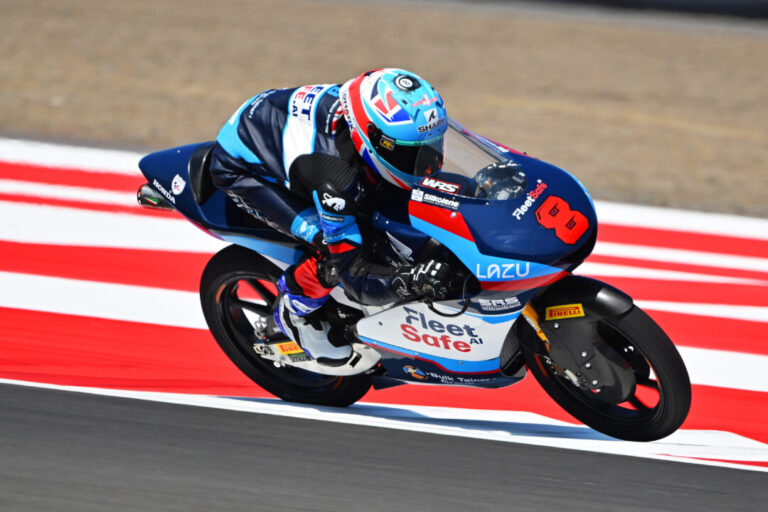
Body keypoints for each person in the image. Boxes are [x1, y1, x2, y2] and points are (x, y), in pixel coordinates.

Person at [209, 68, 452, 366]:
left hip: (277, 123)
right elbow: (354, 275)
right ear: (371, 139)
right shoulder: (335, 178)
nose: (429, 165)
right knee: (331, 251)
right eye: (412, 156)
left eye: (433, 148)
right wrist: (408, 281)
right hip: (240, 169)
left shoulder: (375, 106)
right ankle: (295, 312)